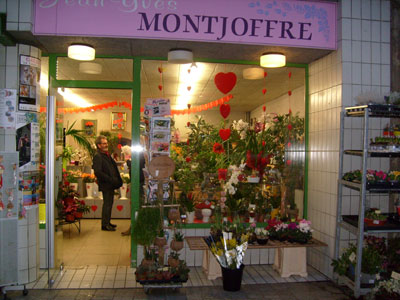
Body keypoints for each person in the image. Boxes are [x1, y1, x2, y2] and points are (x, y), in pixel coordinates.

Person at [92, 135, 122, 231]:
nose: (106, 145)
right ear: (99, 145)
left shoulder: (106, 155)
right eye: (104, 143)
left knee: (110, 203)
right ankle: (105, 225)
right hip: (106, 184)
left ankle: (107, 222)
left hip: (110, 184)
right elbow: (98, 172)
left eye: (106, 143)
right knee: (107, 204)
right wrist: (109, 179)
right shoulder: (98, 156)